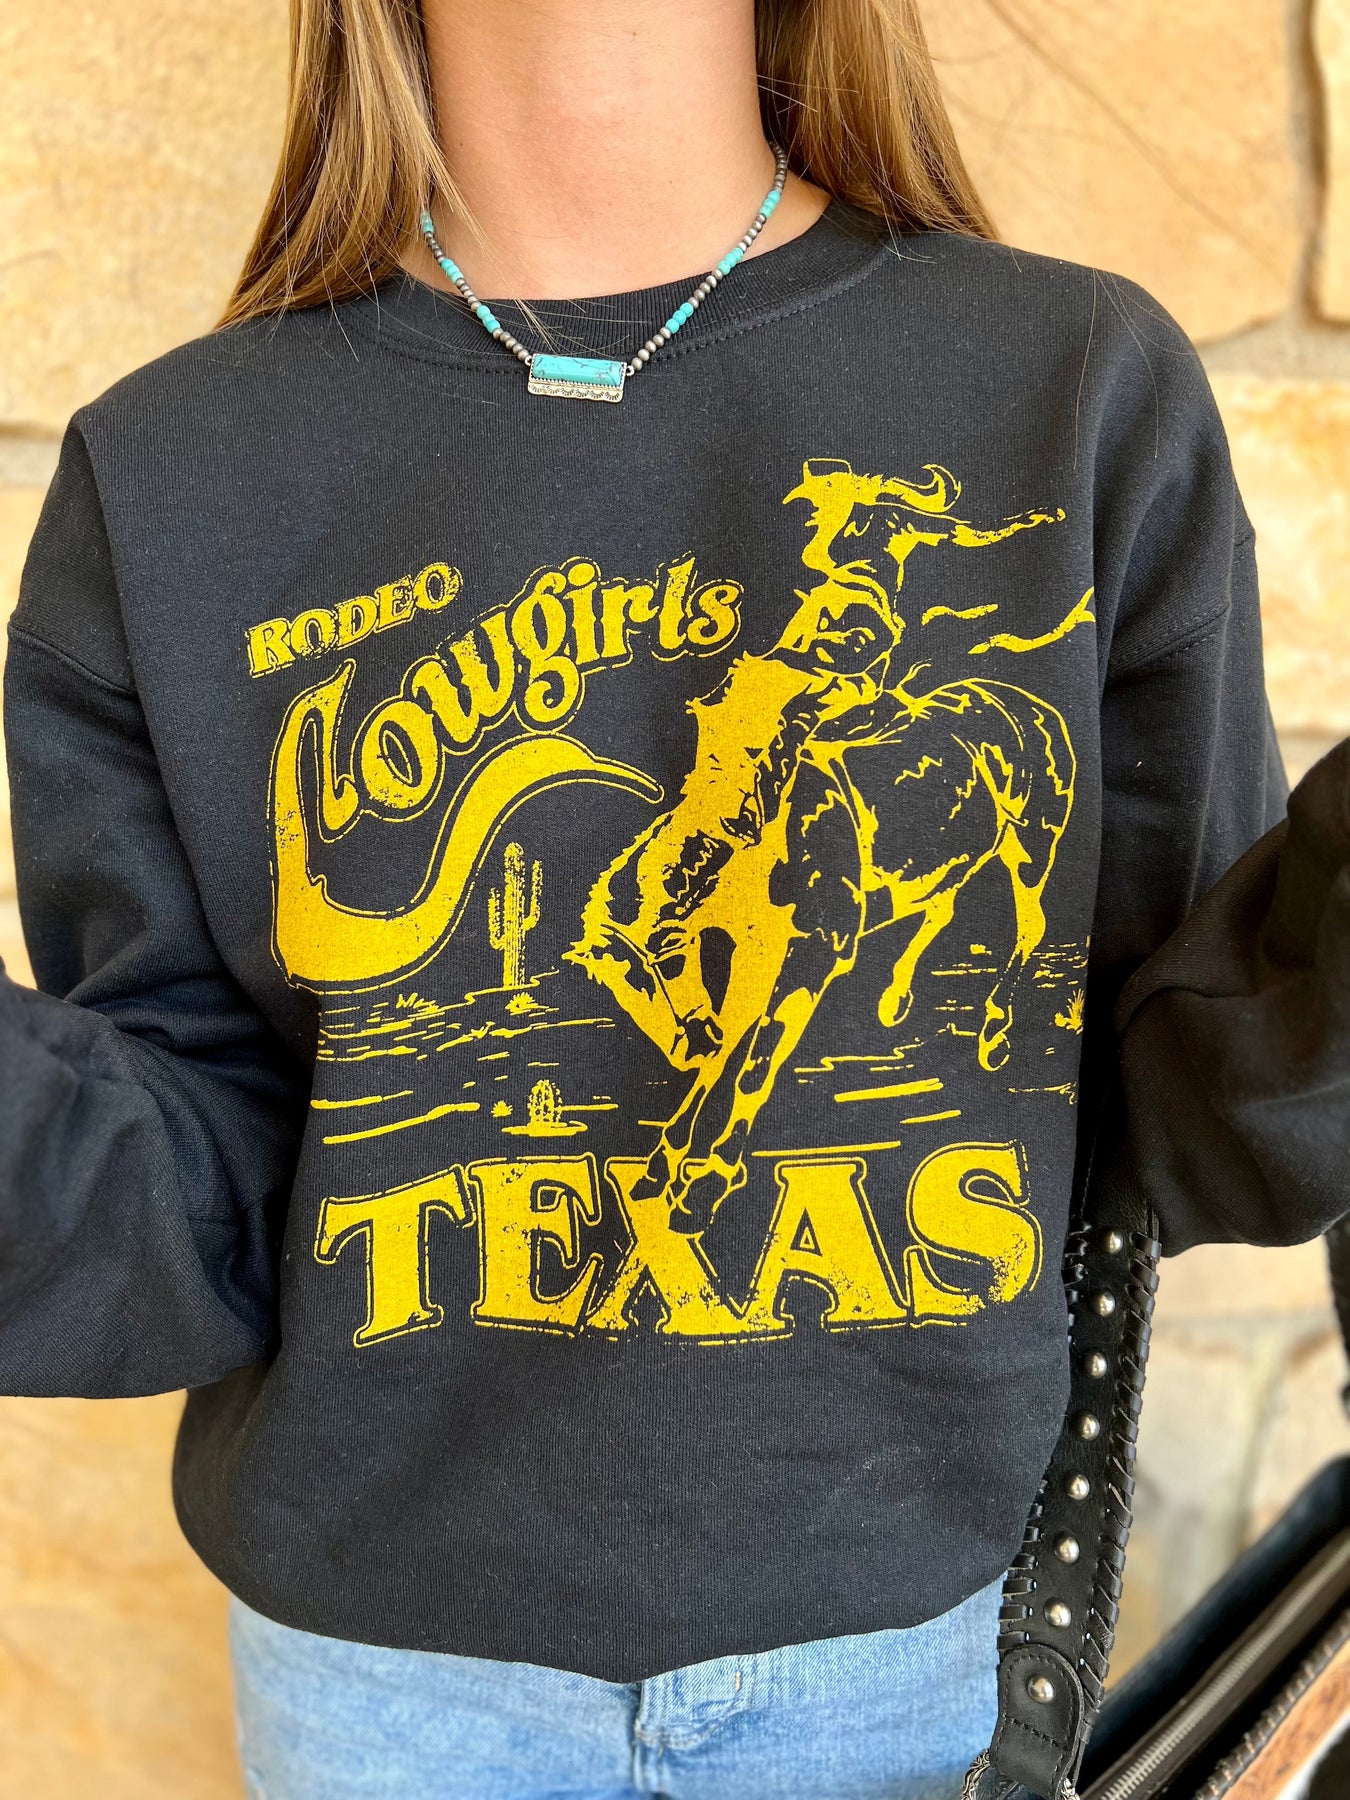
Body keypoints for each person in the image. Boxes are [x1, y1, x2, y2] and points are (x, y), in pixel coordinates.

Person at [0, 2, 1286, 1796]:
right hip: (393, 1704)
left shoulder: (1067, 389)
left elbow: (1196, 1109)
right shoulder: (175, 474)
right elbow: (193, 1201)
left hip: (912, 1660)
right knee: (679, 868)